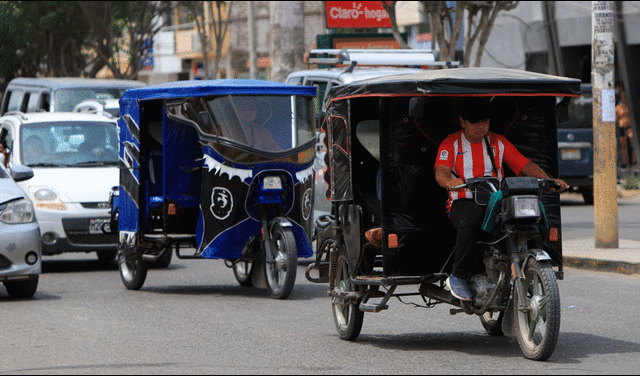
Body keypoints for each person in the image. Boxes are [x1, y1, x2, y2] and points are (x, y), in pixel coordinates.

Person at [434, 97, 568, 301]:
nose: (481, 127)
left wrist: (549, 180)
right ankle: (458, 275)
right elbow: (441, 171)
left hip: (496, 201)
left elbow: (524, 165)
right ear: (462, 122)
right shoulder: (451, 143)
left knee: (533, 216)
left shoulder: (498, 142)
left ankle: (533, 264)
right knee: (472, 217)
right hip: (463, 201)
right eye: (475, 123)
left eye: (485, 122)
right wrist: (449, 182)